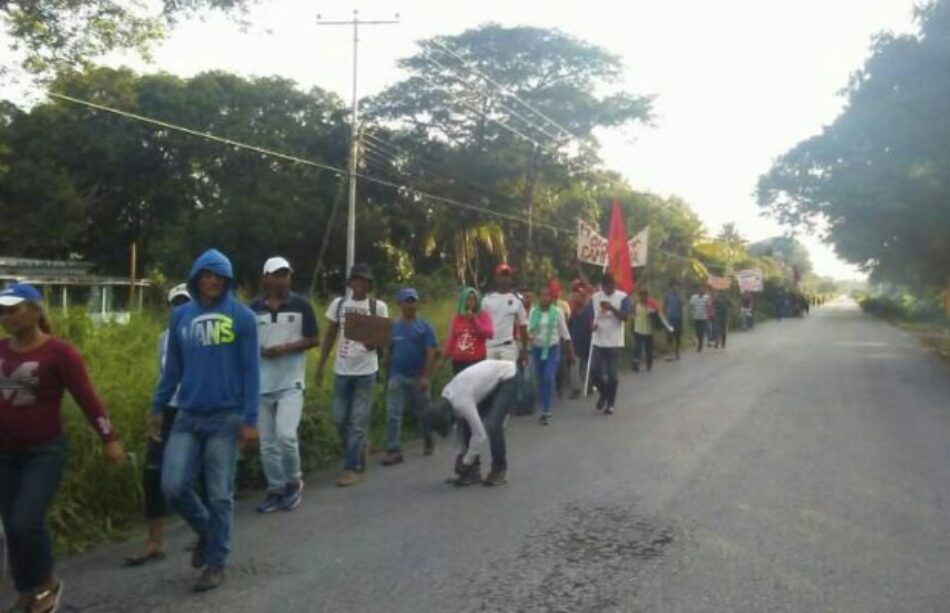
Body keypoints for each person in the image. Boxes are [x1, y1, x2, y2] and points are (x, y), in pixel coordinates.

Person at [0, 284, 125, 612]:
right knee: (12, 524)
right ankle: (26, 589)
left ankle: (47, 584)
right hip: (6, 453)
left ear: (36, 310)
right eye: (2, 310)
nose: (6, 316)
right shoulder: (0, 350)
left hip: (44, 451)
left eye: (13, 309)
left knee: (26, 520)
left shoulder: (60, 353)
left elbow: (88, 399)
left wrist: (109, 438)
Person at [154, 249, 260, 593]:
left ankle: (216, 562)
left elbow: (251, 371)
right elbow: (173, 369)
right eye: (206, 274)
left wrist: (250, 418)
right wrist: (157, 405)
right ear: (196, 277)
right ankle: (209, 532)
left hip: (226, 418)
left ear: (226, 281)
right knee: (172, 485)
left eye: (218, 276)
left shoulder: (242, 317)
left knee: (220, 495)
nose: (211, 281)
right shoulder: (181, 316)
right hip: (188, 414)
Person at [125, 284, 191, 567]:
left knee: (192, 476)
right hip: (168, 410)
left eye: (185, 303)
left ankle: (207, 532)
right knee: (152, 472)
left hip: (196, 411)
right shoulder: (164, 339)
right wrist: (156, 409)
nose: (180, 308)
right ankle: (154, 541)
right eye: (175, 303)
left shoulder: (207, 336)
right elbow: (163, 377)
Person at [249, 257, 319, 514]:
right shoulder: (253, 310)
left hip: (291, 381)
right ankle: (275, 488)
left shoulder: (301, 305)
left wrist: (286, 348)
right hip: (261, 383)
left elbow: (314, 339)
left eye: (285, 275)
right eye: (276, 275)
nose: (282, 280)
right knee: (267, 443)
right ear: (265, 278)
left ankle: (293, 481)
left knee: (286, 435)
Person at [316, 263, 389, 488]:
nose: (360, 285)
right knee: (339, 418)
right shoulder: (339, 305)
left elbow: (385, 340)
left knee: (358, 421)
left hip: (366, 372)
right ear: (350, 282)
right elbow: (330, 335)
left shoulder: (378, 307)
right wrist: (320, 364)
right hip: (342, 370)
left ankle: (351, 467)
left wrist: (374, 344)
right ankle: (361, 446)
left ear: (369, 284)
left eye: (364, 281)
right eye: (356, 280)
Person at [426, 360, 518, 487]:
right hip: (487, 384)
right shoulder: (446, 394)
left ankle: (499, 468)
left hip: (506, 376)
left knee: (493, 424)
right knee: (466, 423)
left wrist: (466, 461)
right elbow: (458, 427)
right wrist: (460, 454)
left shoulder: (461, 402)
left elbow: (480, 435)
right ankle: (473, 472)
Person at [383, 287, 437, 466]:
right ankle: (393, 449)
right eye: (407, 301)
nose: (411, 304)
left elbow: (431, 352)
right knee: (393, 413)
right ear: (400, 304)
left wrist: (426, 377)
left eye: (413, 300)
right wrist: (387, 374)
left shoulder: (424, 326)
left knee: (423, 412)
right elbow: (388, 351)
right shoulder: (393, 327)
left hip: (418, 376)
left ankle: (428, 439)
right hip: (397, 375)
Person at [527, 286, 574, 425]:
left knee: (548, 377)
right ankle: (543, 405)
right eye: (542, 295)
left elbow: (564, 333)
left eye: (547, 295)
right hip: (537, 348)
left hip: (552, 348)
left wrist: (570, 351)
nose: (544, 298)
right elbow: (530, 329)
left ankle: (546, 410)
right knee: (540, 378)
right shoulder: (534, 312)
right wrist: (528, 338)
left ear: (551, 298)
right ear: (538, 297)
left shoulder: (557, 312)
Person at [589, 273, 630, 415]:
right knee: (594, 371)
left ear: (614, 285)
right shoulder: (595, 297)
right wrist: (592, 325)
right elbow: (591, 315)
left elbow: (625, 318)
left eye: (610, 287)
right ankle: (604, 393)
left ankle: (610, 404)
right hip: (598, 340)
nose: (607, 290)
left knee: (612, 374)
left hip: (614, 341)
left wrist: (611, 308)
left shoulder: (622, 297)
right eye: (605, 287)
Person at [481, 263, 528, 363]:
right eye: (501, 276)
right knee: (491, 378)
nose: (504, 279)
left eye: (507, 276)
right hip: (490, 346)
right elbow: (480, 324)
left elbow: (523, 326)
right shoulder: (487, 300)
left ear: (511, 279)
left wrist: (524, 350)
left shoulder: (517, 300)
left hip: (508, 347)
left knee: (507, 377)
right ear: (496, 278)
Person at [442, 287, 493, 375]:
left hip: (476, 360)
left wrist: (475, 321)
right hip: (459, 361)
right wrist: (444, 359)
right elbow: (452, 339)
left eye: (474, 299)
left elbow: (490, 333)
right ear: (464, 301)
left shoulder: (483, 315)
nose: (471, 302)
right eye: (468, 299)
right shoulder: (458, 317)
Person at [631, 288, 673, 373]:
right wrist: (632, 325)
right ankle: (636, 363)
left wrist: (667, 327)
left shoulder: (652, 304)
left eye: (644, 296)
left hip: (648, 331)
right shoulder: (636, 304)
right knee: (637, 348)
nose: (642, 298)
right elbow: (632, 314)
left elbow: (660, 316)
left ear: (647, 296)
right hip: (638, 330)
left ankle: (649, 363)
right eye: (641, 296)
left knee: (648, 349)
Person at [567, 279, 594, 398]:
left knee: (585, 369)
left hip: (587, 344)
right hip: (575, 344)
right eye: (576, 294)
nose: (578, 297)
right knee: (575, 366)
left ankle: (589, 384)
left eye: (581, 295)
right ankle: (576, 389)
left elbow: (592, 327)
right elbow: (568, 328)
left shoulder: (589, 310)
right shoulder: (571, 311)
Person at [663, 281, 684, 361]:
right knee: (669, 336)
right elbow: (664, 305)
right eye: (675, 286)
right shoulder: (667, 295)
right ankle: (669, 354)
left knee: (678, 336)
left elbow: (682, 304)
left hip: (678, 318)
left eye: (677, 286)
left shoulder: (679, 295)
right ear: (672, 287)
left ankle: (677, 351)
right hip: (670, 319)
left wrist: (680, 298)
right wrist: (664, 316)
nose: (676, 288)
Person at [689, 287, 711, 353]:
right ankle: (699, 343)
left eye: (703, 290)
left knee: (701, 331)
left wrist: (708, 315)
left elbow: (709, 305)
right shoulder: (693, 297)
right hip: (696, 317)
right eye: (700, 289)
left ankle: (700, 345)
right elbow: (691, 306)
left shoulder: (706, 297)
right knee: (697, 331)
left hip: (704, 318)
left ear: (704, 291)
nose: (701, 291)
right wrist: (691, 314)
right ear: (698, 290)